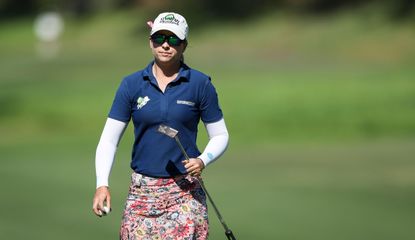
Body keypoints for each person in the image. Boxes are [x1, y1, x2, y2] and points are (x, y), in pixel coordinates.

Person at [92, 12, 229, 239]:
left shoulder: (200, 84)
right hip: (141, 191)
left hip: (185, 192)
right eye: (159, 38)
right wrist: (101, 184)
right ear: (150, 41)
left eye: (173, 40)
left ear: (184, 45)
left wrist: (203, 159)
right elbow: (108, 139)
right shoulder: (132, 84)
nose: (165, 45)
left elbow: (220, 135)